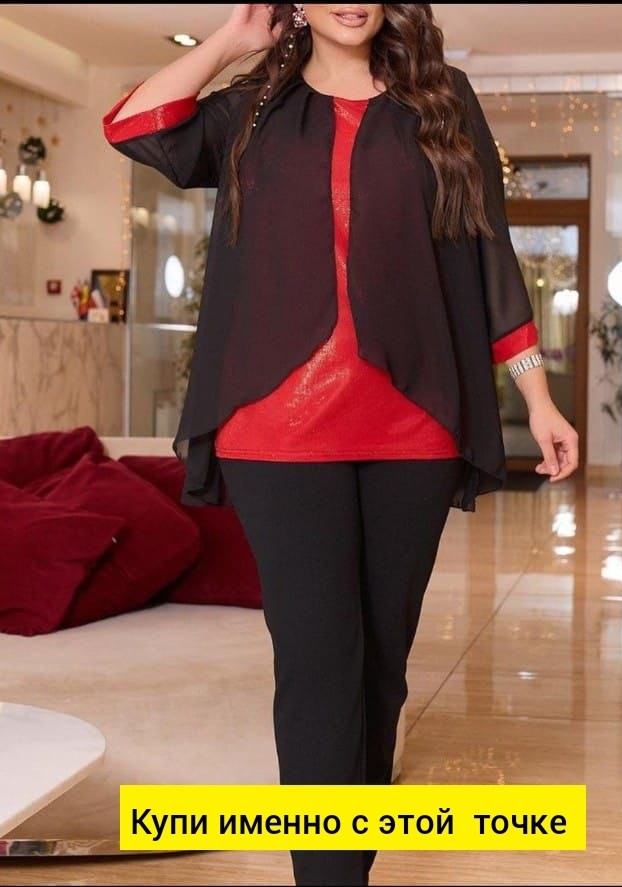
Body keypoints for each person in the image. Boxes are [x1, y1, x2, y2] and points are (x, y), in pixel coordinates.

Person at [103, 5, 579, 884]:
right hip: (275, 431)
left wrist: (538, 399)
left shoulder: (442, 99)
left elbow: (489, 255)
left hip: (414, 428)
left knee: (380, 671)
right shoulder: (254, 106)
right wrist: (231, 42)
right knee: (318, 665)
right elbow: (134, 127)